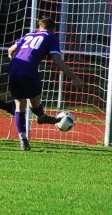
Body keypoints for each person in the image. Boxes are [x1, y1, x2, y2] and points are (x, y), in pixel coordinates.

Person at [7, 16, 82, 151]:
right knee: (35, 98)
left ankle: (22, 137)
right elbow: (57, 60)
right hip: (29, 70)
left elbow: (11, 50)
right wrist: (73, 77)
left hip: (13, 69)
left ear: (39, 27)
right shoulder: (51, 36)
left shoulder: (29, 34)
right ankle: (41, 116)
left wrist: (15, 60)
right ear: (53, 29)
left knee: (20, 104)